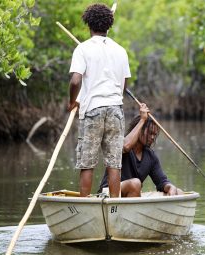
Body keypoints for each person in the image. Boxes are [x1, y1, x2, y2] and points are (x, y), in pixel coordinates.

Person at [67, 3, 131, 197]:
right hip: (115, 109)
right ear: (108, 25)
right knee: (114, 164)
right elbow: (124, 84)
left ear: (88, 25)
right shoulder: (120, 50)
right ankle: (114, 207)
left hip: (92, 109)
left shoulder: (82, 49)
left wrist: (72, 102)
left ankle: (85, 204)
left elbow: (75, 80)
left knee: (87, 164)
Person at [98, 104, 184, 197]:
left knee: (178, 192)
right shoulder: (123, 145)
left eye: (154, 135)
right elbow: (125, 146)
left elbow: (161, 182)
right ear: (139, 129)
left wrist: (170, 187)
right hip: (108, 193)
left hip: (132, 194)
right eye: (150, 133)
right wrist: (143, 120)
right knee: (135, 183)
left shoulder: (151, 156)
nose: (152, 137)